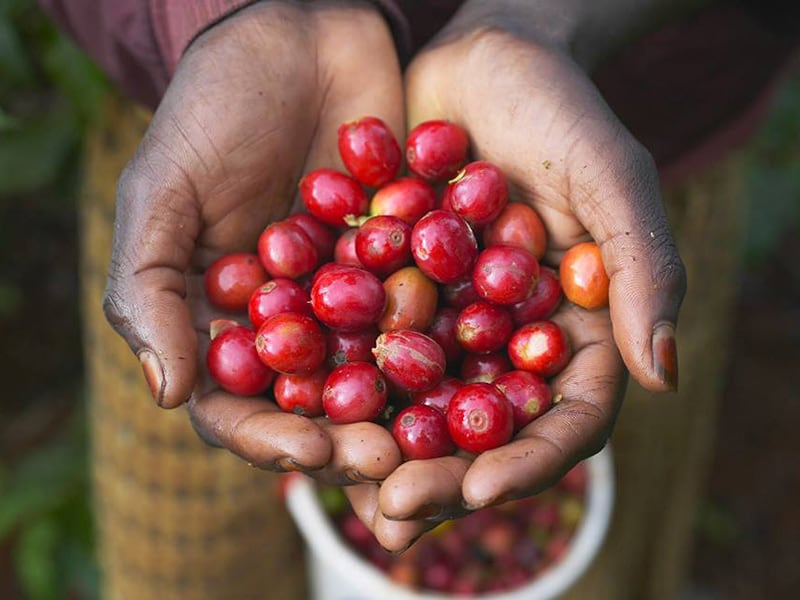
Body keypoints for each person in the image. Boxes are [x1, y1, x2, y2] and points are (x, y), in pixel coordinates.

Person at [42, 0, 799, 594]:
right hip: (227, 148)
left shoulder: (469, 273)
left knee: (619, 501)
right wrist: (215, 13)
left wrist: (536, 17)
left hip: (617, 147)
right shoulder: (312, 262)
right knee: (194, 556)